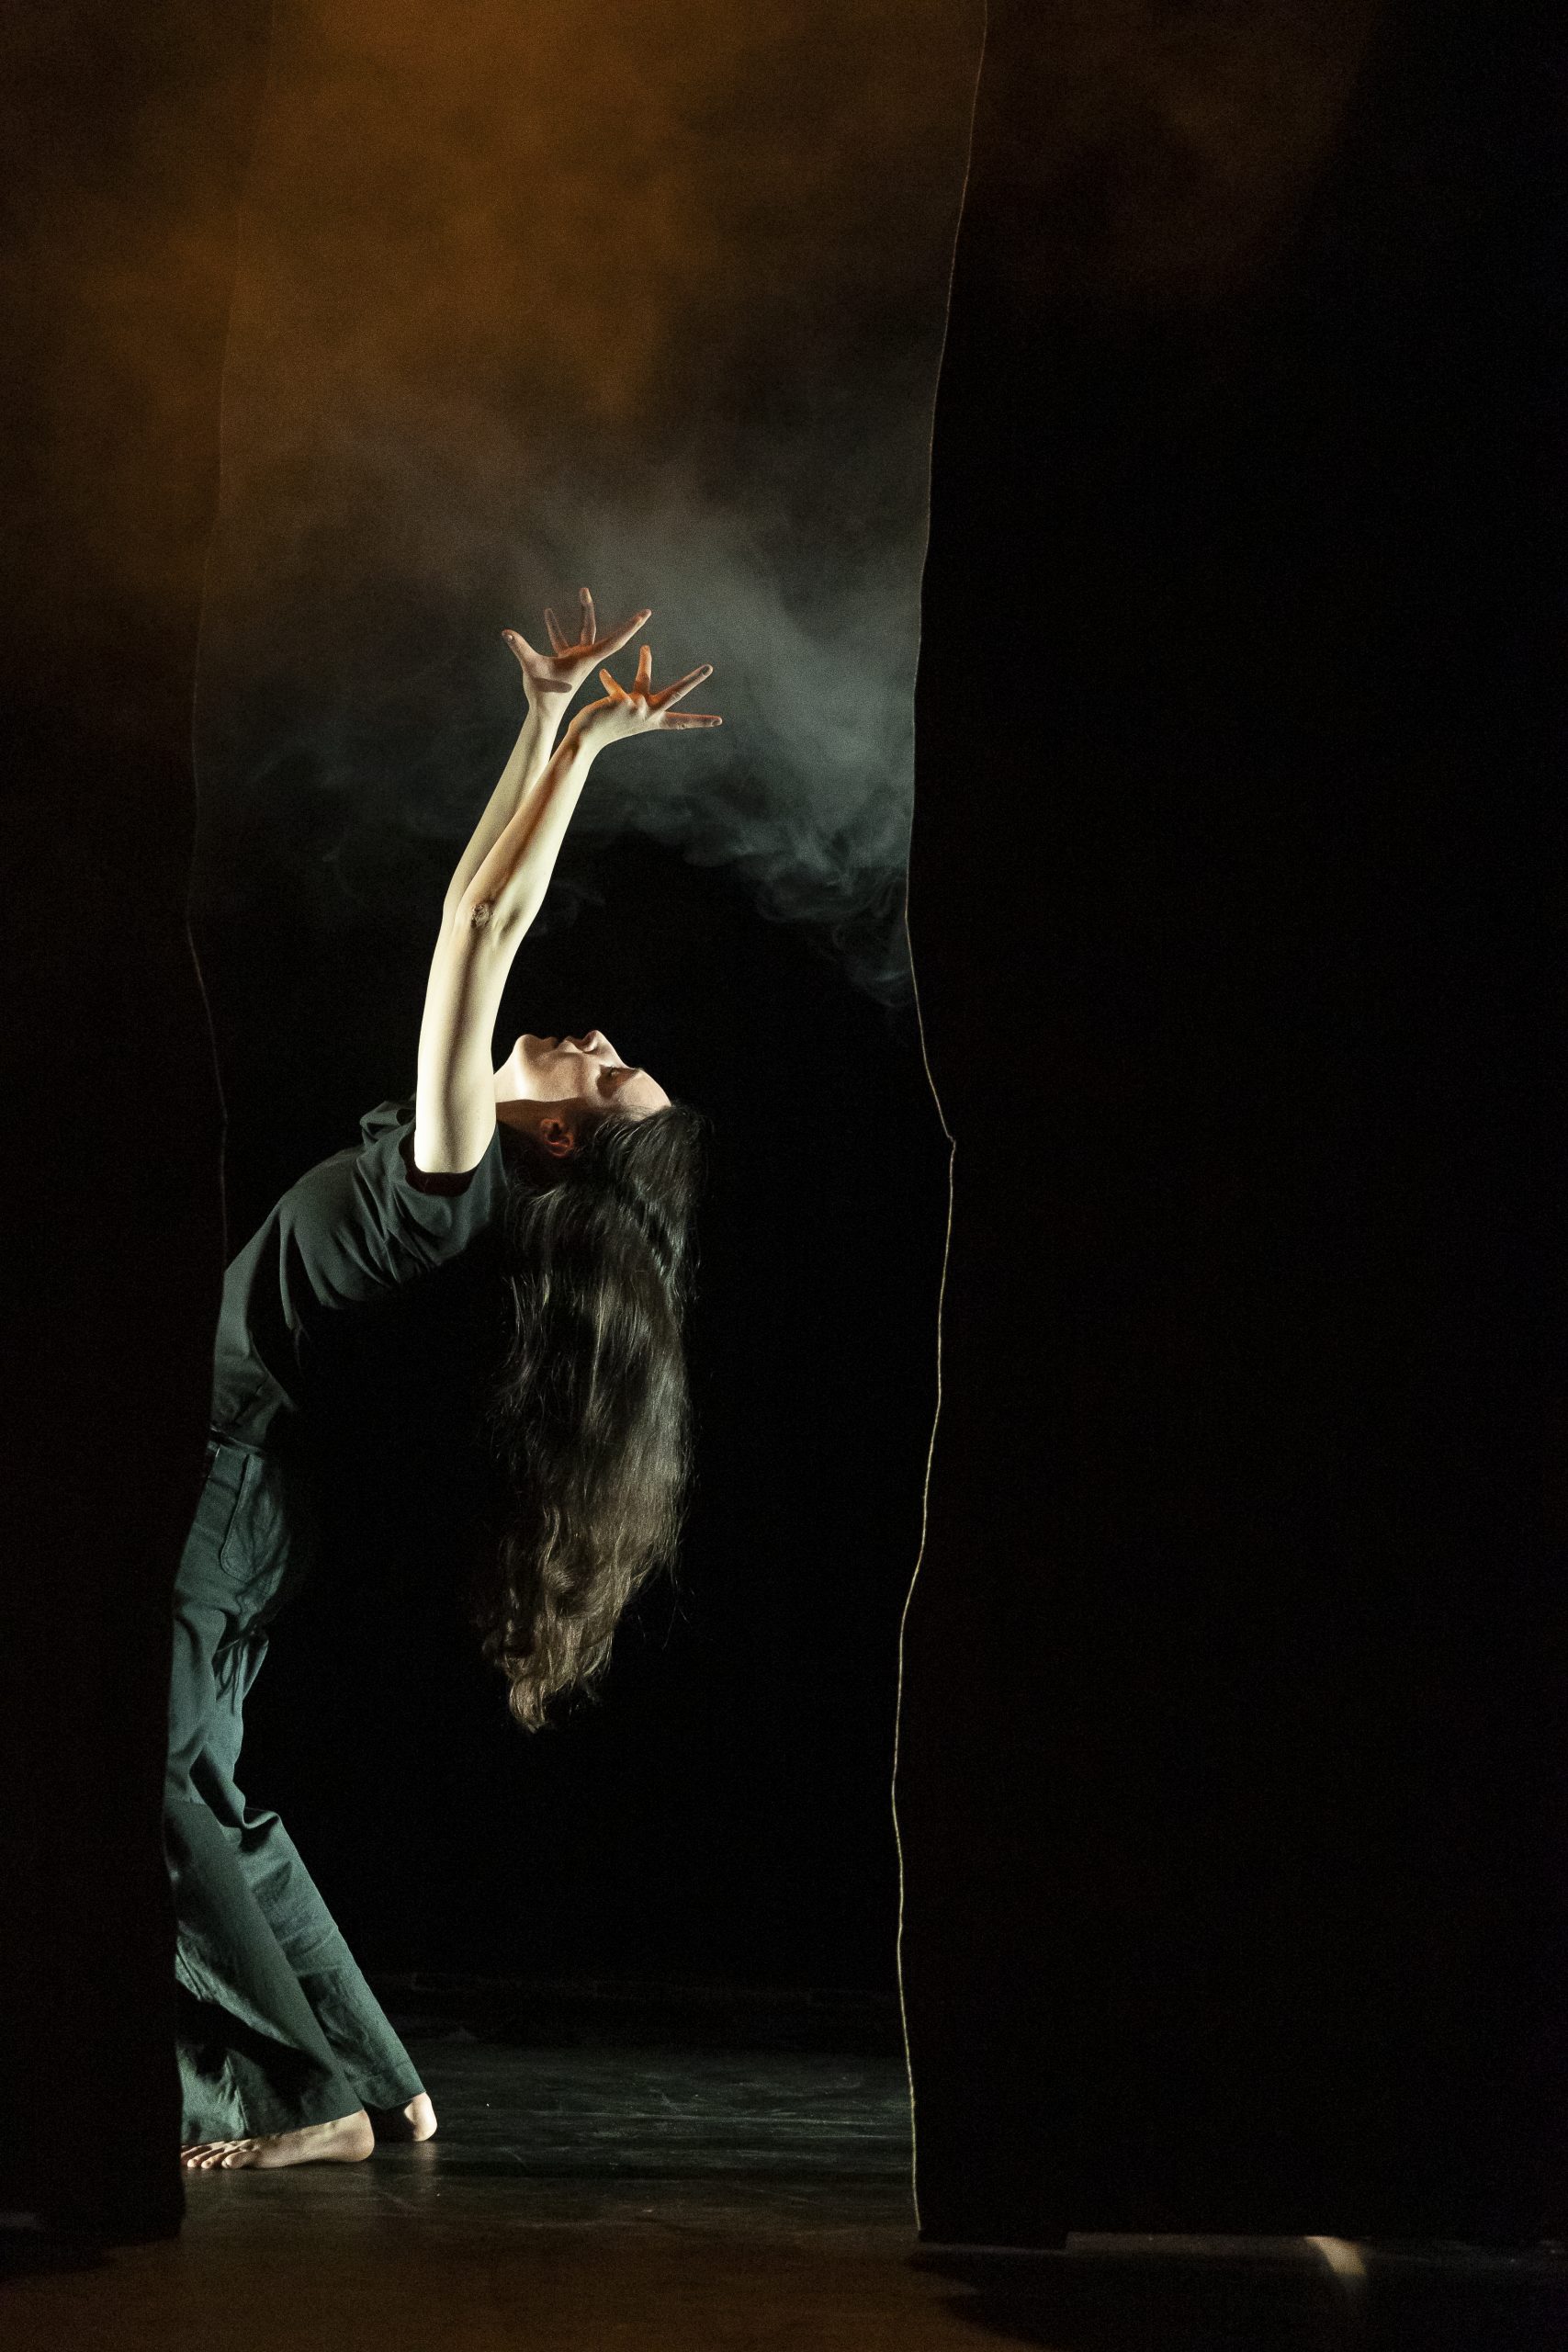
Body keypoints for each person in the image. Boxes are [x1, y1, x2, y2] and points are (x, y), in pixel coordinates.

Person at [170, 591, 719, 2171]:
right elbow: (490, 903)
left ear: (559, 1137)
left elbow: (478, 925)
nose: (596, 1036)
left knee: (148, 1785)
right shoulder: (471, 1161)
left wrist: (573, 748)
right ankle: (378, 2078)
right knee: (197, 1780)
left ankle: (302, 2104)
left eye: (609, 1074)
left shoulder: (452, 1169)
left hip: (221, 1482)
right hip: (246, 1498)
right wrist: (555, 728)